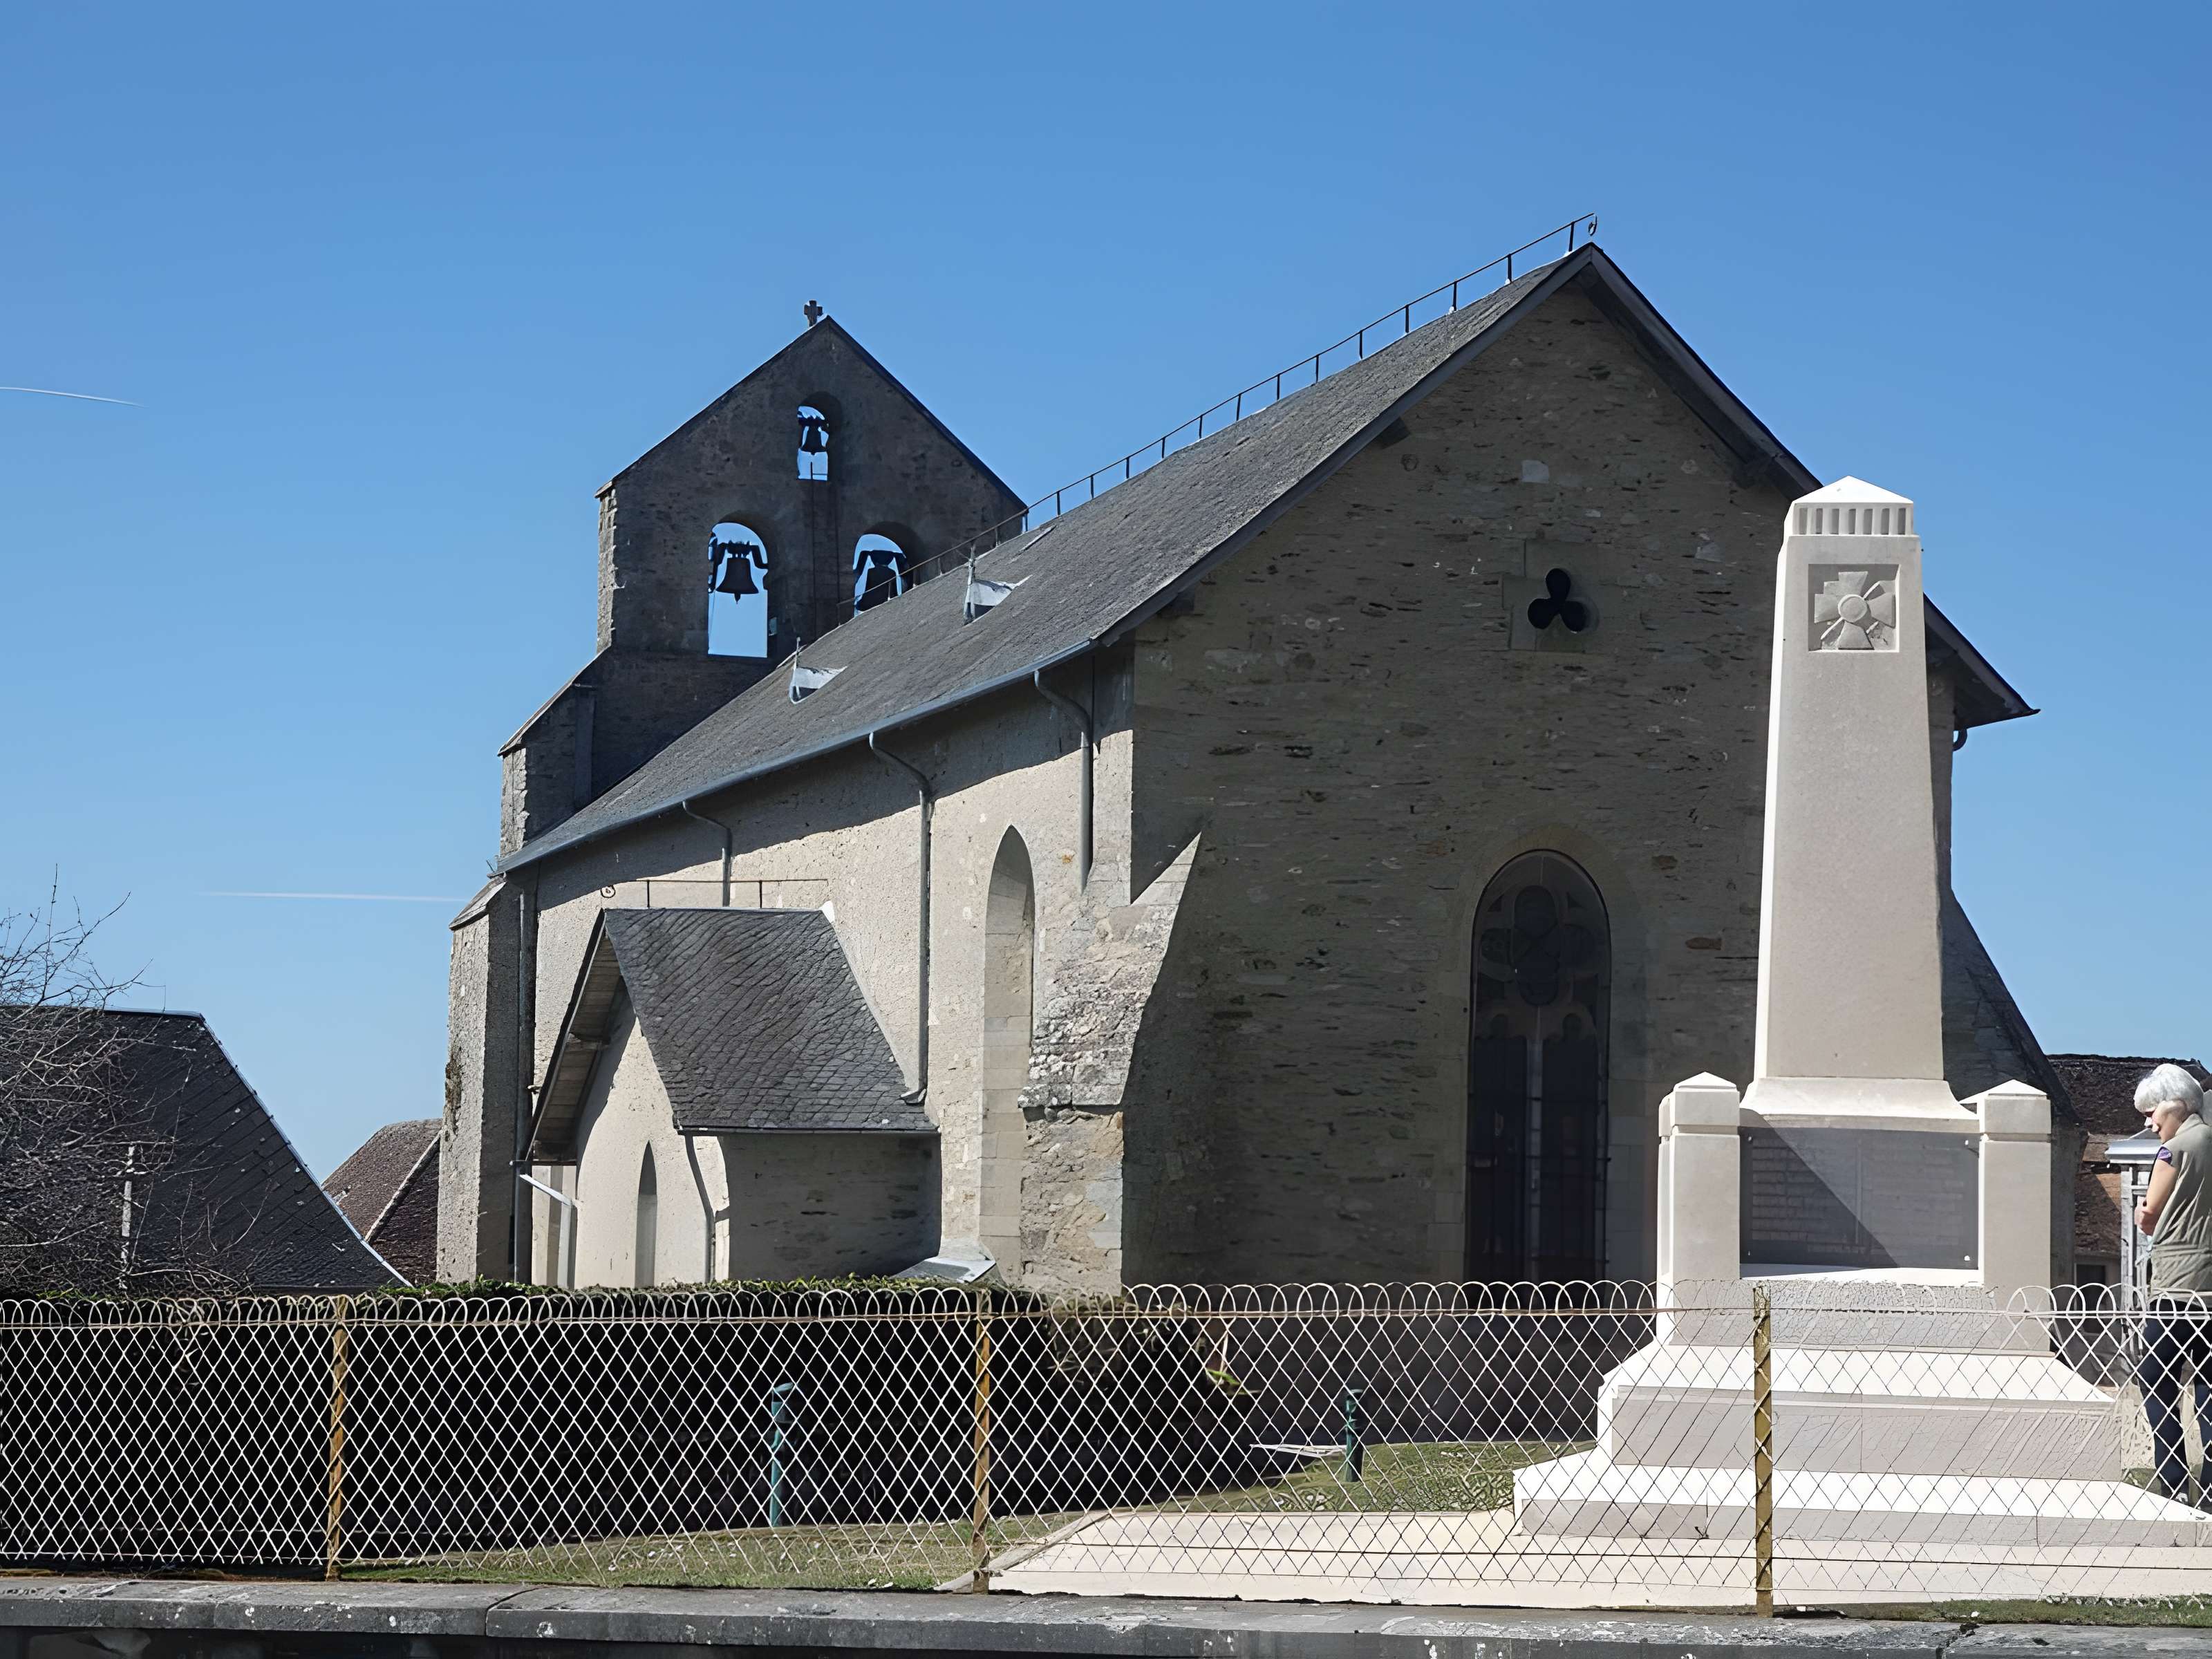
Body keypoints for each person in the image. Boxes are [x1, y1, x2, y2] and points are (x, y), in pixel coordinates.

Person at [2135, 1062, 2212, 1500]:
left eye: (2152, 1114)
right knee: (2208, 1385)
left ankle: (2173, 1479)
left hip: (2177, 1289)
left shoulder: (2175, 1150)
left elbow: (2149, 1213)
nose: (2150, 1125)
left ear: (2174, 1106)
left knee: (2156, 1377)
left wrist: (2143, 1214)